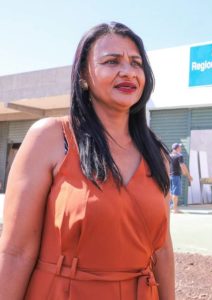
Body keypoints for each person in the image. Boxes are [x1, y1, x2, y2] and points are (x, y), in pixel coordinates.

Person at [0, 22, 175, 300]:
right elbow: (16, 251)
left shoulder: (157, 155)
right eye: (111, 61)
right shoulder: (50, 137)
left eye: (136, 63)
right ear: (83, 74)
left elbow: (162, 249)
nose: (127, 71)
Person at [169, 143, 192, 213]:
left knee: (171, 192)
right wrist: (188, 175)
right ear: (177, 148)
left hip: (170, 176)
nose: (181, 148)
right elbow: (183, 166)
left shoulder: (169, 155)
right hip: (176, 176)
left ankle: (171, 207)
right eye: (180, 147)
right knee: (175, 193)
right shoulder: (179, 156)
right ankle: (175, 209)